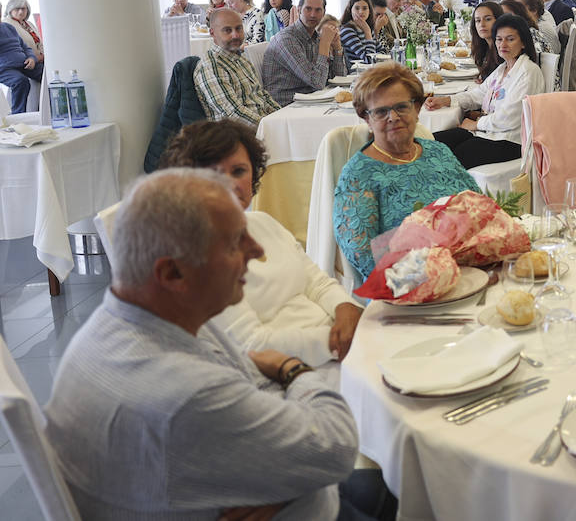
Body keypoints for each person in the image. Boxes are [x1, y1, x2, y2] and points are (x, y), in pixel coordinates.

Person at [44, 169, 392, 520]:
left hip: (291, 489)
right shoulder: (183, 392)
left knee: (388, 483)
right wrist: (294, 370)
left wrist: (280, 479)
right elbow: (337, 447)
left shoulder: (140, 321)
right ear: (172, 274)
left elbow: (247, 381)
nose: (255, 250)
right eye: (234, 243)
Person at [158, 120, 363, 372]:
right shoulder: (197, 257)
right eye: (214, 175)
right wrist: (340, 338)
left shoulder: (262, 222)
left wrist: (346, 308)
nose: (231, 184)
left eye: (239, 171)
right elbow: (252, 345)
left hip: (339, 346)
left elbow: (317, 283)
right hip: (292, 371)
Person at [334, 63, 480, 278]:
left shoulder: (437, 151)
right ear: (367, 119)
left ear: (417, 109)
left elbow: (478, 204)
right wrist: (435, 270)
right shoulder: (358, 175)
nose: (392, 117)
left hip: (471, 269)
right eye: (381, 111)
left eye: (401, 107)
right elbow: (365, 257)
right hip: (408, 288)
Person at [433, 13, 545, 167]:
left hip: (510, 141)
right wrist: (448, 100)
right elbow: (478, 95)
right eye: (499, 39)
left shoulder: (528, 72)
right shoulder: (503, 69)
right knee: (432, 143)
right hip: (488, 133)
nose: (503, 44)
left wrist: (477, 124)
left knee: (450, 158)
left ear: (524, 43)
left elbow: (509, 118)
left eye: (510, 39)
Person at [193, 8, 281, 126]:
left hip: (264, 127)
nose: (235, 35)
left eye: (239, 28)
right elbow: (233, 115)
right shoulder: (211, 66)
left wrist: (283, 118)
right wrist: (273, 127)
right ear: (212, 33)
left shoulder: (242, 60)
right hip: (239, 137)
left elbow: (263, 97)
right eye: (227, 30)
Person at [261, 0, 349, 106]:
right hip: (286, 104)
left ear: (323, 13)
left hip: (311, 98)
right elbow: (317, 82)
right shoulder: (287, 39)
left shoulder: (316, 36)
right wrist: (325, 44)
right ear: (299, 10)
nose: (313, 14)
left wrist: (337, 48)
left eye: (318, 10)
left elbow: (339, 79)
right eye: (308, 9)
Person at [0, 10, 41, 113]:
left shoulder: (8, 27)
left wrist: (32, 58)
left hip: (24, 63)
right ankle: (17, 116)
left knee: (47, 72)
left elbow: (25, 47)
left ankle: (47, 110)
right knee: (20, 81)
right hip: (4, 68)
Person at [340, 0, 379, 66]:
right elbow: (369, 60)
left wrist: (368, 31)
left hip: (370, 70)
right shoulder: (347, 30)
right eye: (357, 8)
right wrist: (367, 32)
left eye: (365, 8)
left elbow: (382, 50)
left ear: (369, 11)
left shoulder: (368, 27)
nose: (361, 12)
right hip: (355, 72)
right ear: (350, 10)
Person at [4, 0, 43, 64]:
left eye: (23, 9)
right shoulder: (7, 24)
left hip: (40, 60)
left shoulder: (28, 23)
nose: (20, 12)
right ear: (10, 10)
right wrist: (35, 58)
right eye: (17, 9)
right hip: (26, 63)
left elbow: (40, 43)